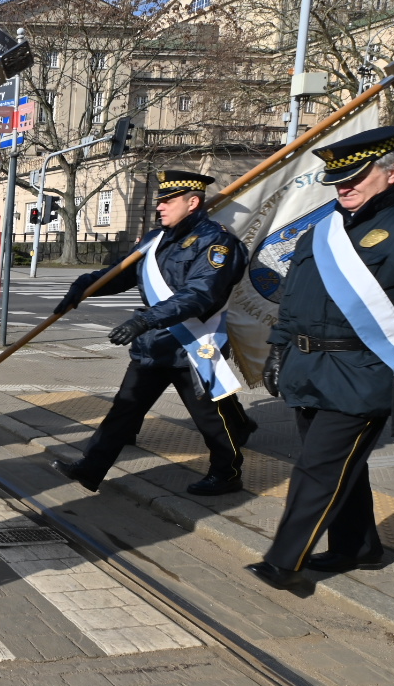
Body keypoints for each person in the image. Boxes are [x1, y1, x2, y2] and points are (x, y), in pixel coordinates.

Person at [248, 127, 394, 593]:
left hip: (365, 371)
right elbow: (294, 300)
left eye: (356, 176)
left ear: (392, 171)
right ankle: (357, 548)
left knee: (318, 467)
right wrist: (278, 348)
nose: (345, 187)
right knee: (342, 467)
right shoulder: (321, 231)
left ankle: (283, 560)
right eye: (338, 179)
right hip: (309, 368)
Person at [54, 171, 256, 497]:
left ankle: (227, 473)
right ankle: (92, 467)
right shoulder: (156, 238)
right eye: (159, 200)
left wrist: (146, 320)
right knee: (125, 408)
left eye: (167, 201)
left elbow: (200, 294)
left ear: (192, 202)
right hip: (155, 344)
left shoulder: (217, 242)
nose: (159, 207)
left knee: (209, 418)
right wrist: (84, 287)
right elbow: (122, 274)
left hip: (193, 343)